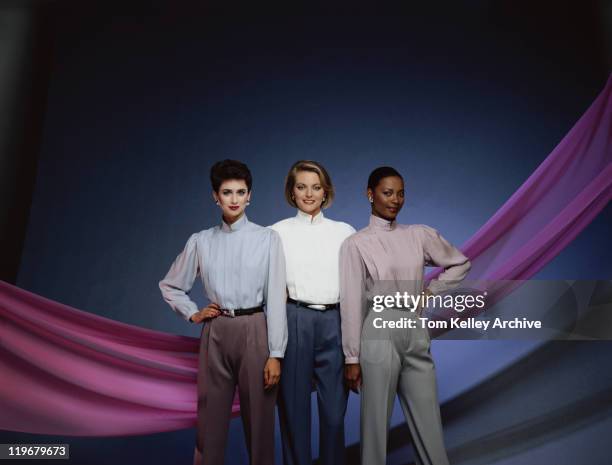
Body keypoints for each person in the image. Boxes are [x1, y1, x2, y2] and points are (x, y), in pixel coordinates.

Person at [340, 166, 471, 465]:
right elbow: (350, 302)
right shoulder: (356, 244)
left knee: (429, 423)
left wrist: (430, 293)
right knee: (374, 428)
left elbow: (460, 263)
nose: (395, 200)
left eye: (400, 194)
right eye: (387, 193)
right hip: (379, 330)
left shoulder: (418, 235)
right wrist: (351, 357)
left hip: (413, 328)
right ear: (370, 195)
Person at [159, 159, 287, 465]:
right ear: (215, 196)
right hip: (215, 332)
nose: (234, 199)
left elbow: (277, 298)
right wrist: (193, 312)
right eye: (227, 192)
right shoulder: (200, 241)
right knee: (210, 421)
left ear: (249, 196)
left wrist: (276, 353)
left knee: (260, 423)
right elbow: (171, 285)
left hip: (256, 329)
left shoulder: (267, 239)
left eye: (240, 192)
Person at [270, 160, 355, 465]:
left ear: (326, 191)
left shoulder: (344, 232)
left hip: (335, 321)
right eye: (301, 186)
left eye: (316, 187)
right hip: (294, 319)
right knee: (294, 414)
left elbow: (357, 287)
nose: (309, 193)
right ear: (291, 192)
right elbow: (268, 289)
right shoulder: (275, 233)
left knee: (334, 415)